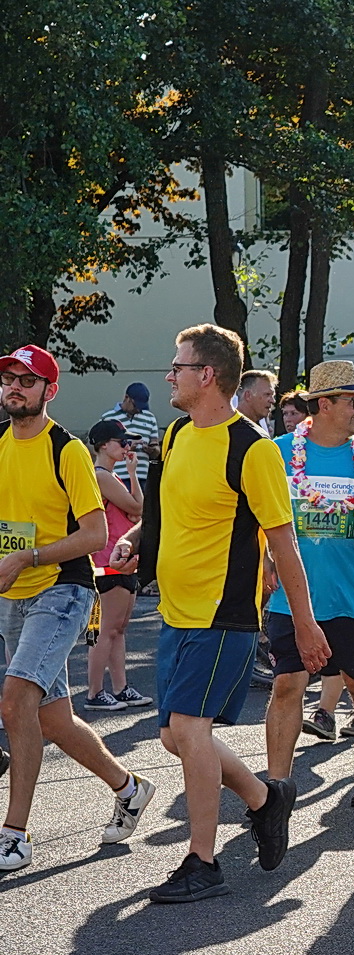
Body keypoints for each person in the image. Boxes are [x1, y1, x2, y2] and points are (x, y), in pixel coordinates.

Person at [111, 324, 330, 902]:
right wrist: (136, 538)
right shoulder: (179, 434)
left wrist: (304, 623)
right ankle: (265, 799)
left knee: (189, 730)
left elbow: (284, 543)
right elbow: (165, 508)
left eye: (178, 367)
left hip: (223, 613)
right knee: (171, 737)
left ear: (207, 375)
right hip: (176, 612)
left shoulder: (251, 449)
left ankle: (202, 861)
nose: (169, 376)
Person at [0, 346, 156, 874]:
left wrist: (30, 555)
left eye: (27, 380)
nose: (15, 387)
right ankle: (129, 787)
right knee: (54, 720)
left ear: (50, 390)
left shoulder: (65, 450)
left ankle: (15, 834)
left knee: (16, 700)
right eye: (9, 378)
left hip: (62, 590)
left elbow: (92, 534)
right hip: (11, 593)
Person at [261, 361, 354, 803]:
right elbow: (255, 515)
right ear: (323, 404)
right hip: (293, 598)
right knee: (287, 684)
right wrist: (265, 560)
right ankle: (276, 787)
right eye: (352, 401)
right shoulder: (279, 452)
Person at [84, 420, 150, 710]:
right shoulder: (100, 475)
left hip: (121, 560)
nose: (127, 447)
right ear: (103, 445)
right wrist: (134, 501)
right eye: (121, 442)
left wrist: (134, 474)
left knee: (118, 629)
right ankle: (95, 692)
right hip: (105, 561)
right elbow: (137, 509)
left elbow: (139, 510)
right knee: (103, 630)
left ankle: (120, 688)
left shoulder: (115, 477)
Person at [98, 380, 160, 483]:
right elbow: (100, 448)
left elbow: (156, 450)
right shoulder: (108, 418)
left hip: (143, 476)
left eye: (141, 407)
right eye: (136, 406)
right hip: (118, 476)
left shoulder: (149, 418)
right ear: (127, 398)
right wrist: (127, 447)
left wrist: (151, 449)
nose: (138, 410)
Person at [235, 369, 277, 434]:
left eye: (273, 395)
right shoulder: (231, 429)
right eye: (267, 394)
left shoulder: (259, 430)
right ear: (248, 395)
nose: (272, 401)